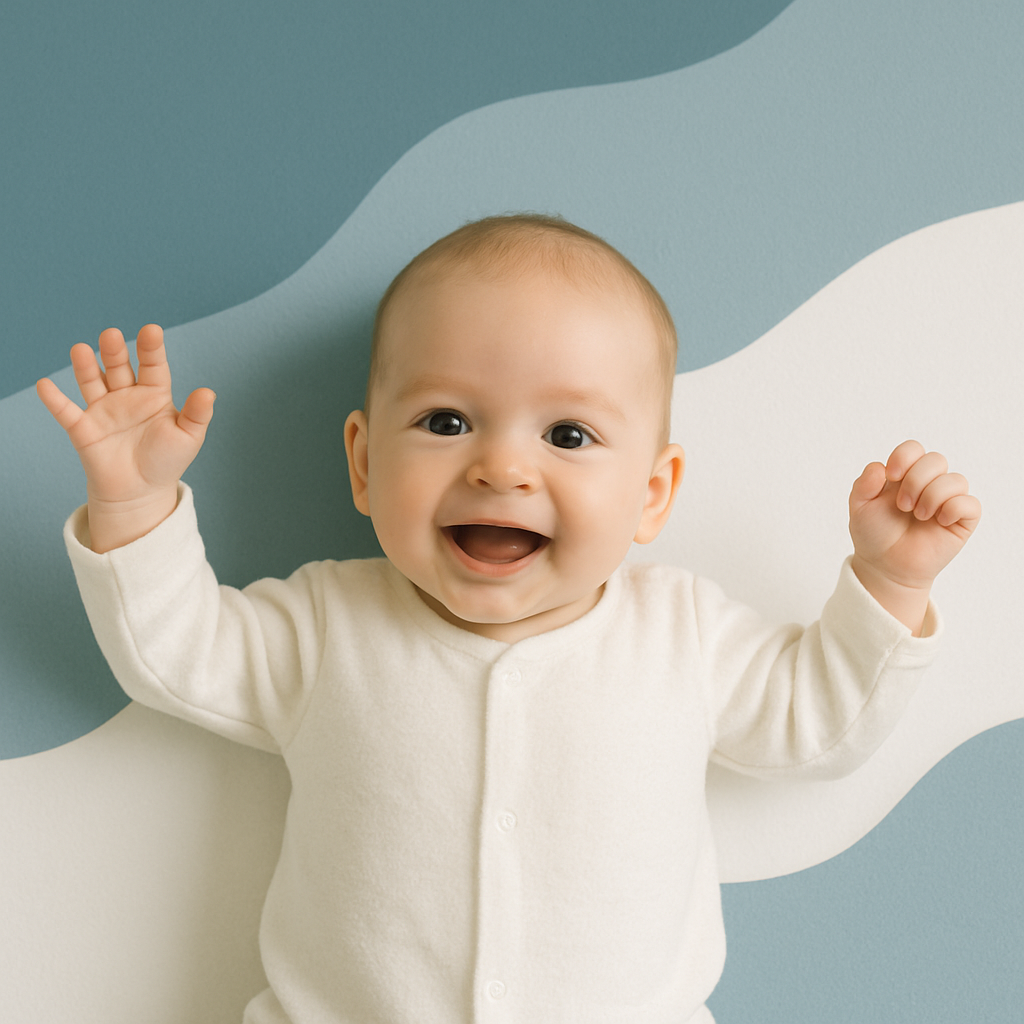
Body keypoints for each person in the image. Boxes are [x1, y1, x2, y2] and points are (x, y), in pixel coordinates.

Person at [37, 214, 980, 1024]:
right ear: (363, 465)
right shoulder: (327, 625)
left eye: (568, 436)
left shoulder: (683, 636)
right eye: (447, 421)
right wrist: (134, 506)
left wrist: (888, 582)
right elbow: (175, 652)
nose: (502, 467)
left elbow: (816, 725)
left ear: (653, 496)